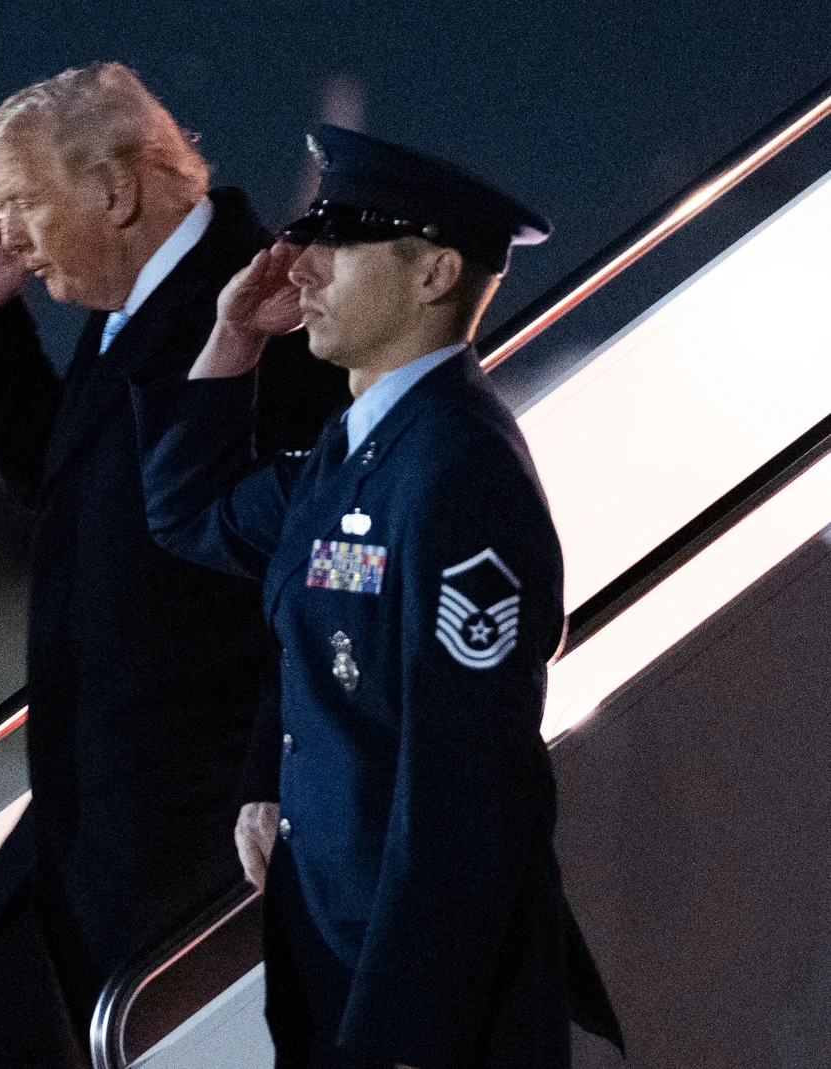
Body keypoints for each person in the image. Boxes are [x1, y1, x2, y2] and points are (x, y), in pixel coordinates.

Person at [132, 125, 625, 1068]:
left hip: (416, 993)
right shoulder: (359, 449)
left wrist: (406, 1035)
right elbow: (189, 515)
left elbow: (465, 790)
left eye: (338, 243)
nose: (300, 266)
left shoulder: (457, 472)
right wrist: (231, 338)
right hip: (336, 934)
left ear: (435, 272)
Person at [0, 63, 346, 1068]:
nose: (9, 235)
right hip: (93, 800)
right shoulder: (130, 309)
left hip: (194, 820)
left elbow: (313, 563)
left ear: (113, 190)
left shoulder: (264, 307)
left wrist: (279, 765)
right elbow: (80, 490)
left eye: (23, 205)